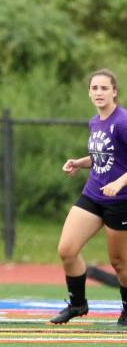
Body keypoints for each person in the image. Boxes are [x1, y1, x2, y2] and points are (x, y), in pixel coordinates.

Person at [51, 69, 127, 326]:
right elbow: (104, 156)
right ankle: (78, 304)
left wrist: (120, 182)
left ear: (114, 91)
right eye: (94, 88)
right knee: (67, 250)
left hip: (120, 201)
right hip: (94, 194)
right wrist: (80, 162)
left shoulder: (123, 121)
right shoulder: (95, 121)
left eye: (104, 88)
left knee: (119, 263)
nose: (99, 93)